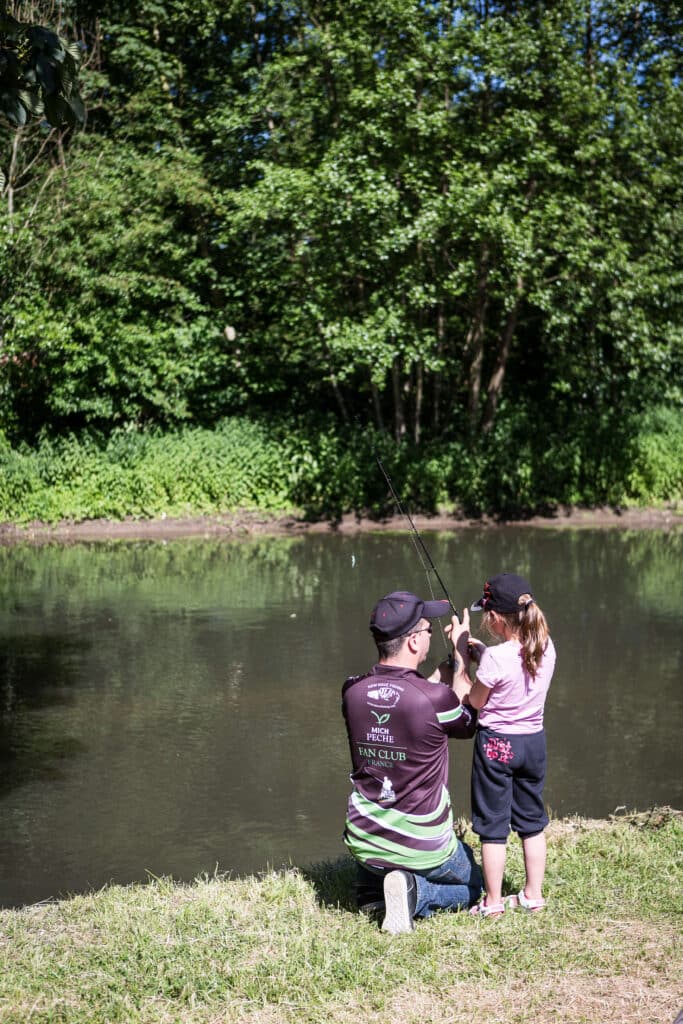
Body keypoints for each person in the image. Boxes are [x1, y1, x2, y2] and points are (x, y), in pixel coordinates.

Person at [341, 590, 483, 934]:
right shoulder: (436, 699)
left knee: (379, 855)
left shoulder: (352, 691)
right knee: (476, 884)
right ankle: (415, 892)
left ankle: (373, 889)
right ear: (415, 641)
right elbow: (467, 723)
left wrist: (440, 673)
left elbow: (399, 699)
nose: (431, 636)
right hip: (422, 846)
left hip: (363, 839)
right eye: (429, 631)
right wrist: (461, 660)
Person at [465, 573, 556, 917]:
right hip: (533, 743)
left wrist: (466, 666)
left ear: (495, 618)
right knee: (532, 821)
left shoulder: (495, 659)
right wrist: (484, 655)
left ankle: (493, 902)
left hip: (497, 746)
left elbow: (477, 701)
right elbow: (515, 669)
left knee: (493, 826)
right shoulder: (546, 647)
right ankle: (533, 895)